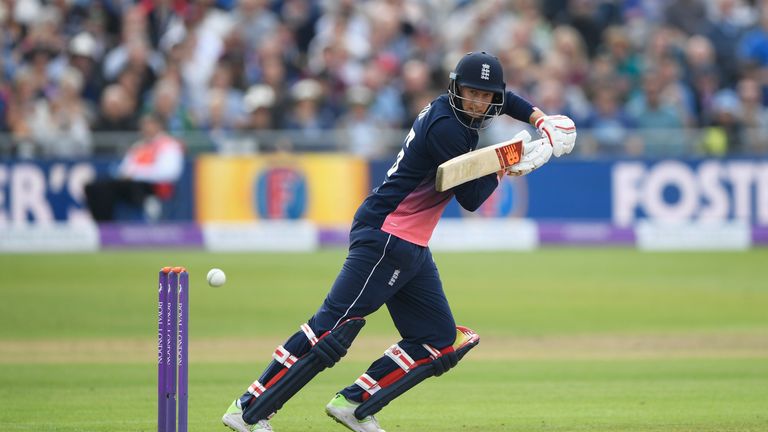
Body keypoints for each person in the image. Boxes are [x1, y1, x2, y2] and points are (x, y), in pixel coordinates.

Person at [221, 51, 576, 432]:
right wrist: (510, 162)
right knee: (333, 328)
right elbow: (471, 199)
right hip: (386, 235)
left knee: (439, 339)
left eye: (486, 96)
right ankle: (248, 409)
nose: (478, 102)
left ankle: (354, 404)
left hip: (411, 245)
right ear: (456, 88)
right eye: (471, 93)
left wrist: (539, 118)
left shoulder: (465, 110)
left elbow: (508, 101)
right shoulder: (446, 128)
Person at [84, 112, 184, 222]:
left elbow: (169, 173)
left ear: (159, 126)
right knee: (95, 187)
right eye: (144, 125)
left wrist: (136, 173)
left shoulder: (168, 145)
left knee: (127, 187)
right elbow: (125, 168)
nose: (145, 128)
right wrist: (128, 174)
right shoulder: (139, 146)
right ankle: (102, 225)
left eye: (149, 124)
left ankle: (148, 207)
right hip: (132, 184)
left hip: (154, 186)